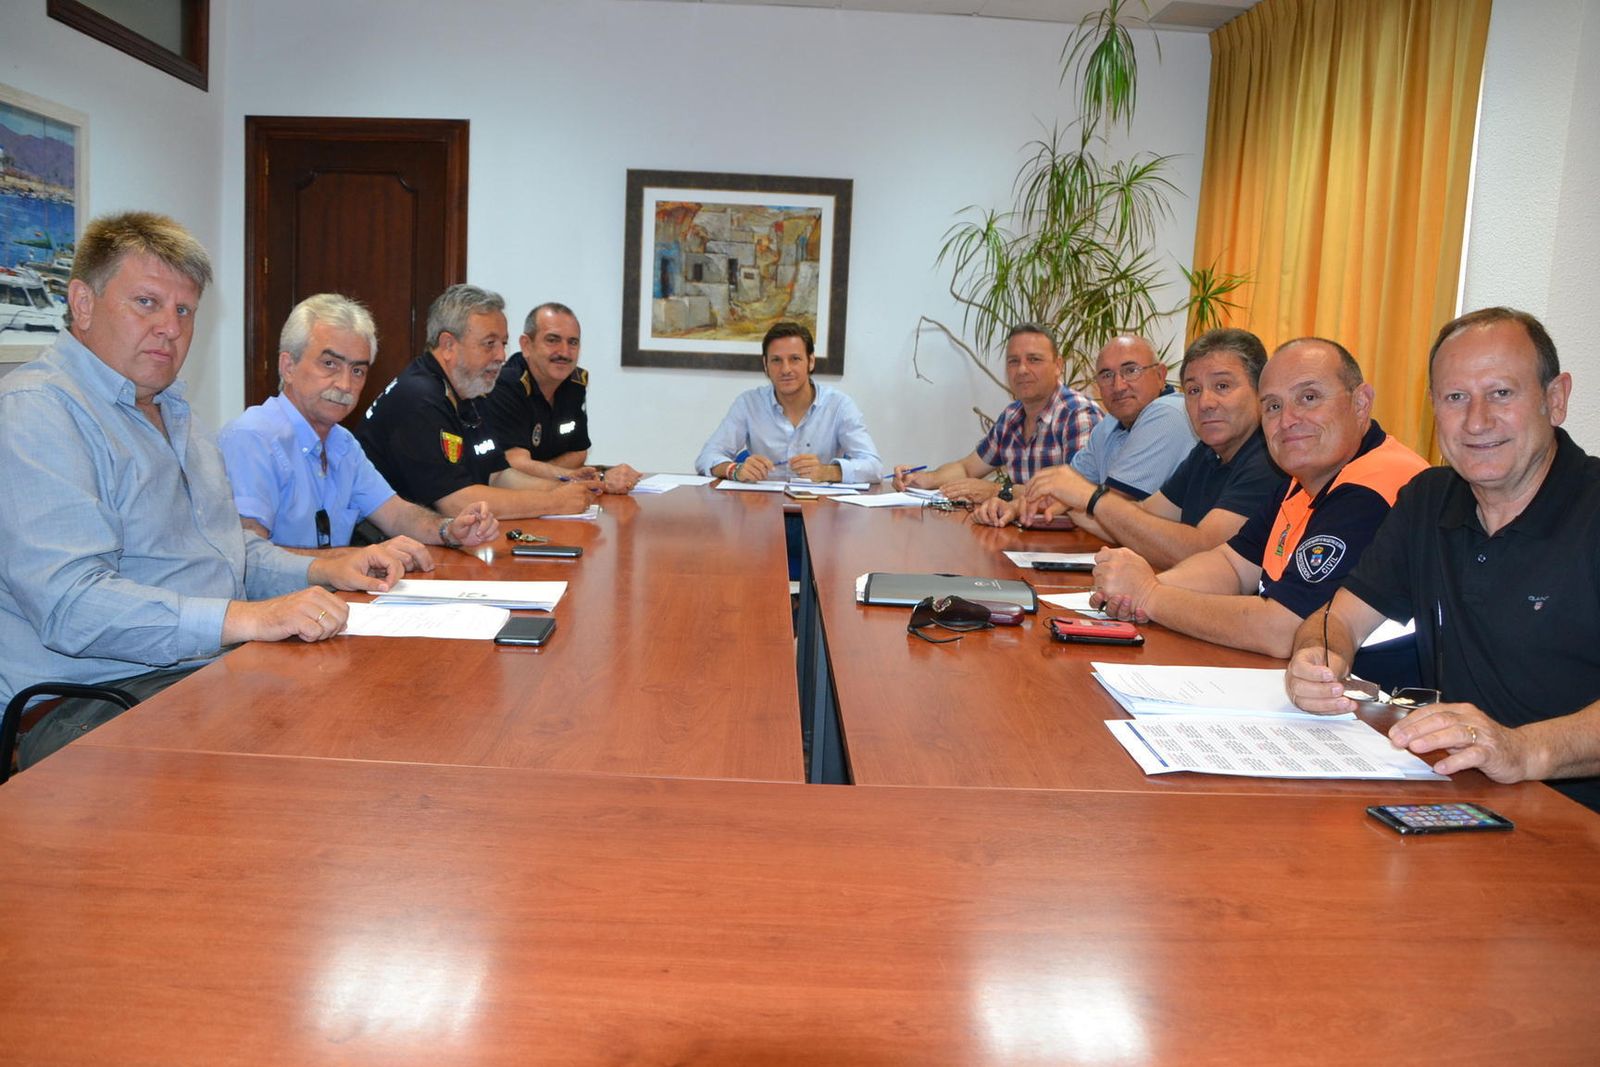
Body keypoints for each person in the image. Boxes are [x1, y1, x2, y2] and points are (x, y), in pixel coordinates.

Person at [0, 211, 404, 769]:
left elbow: (228, 550)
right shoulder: (37, 413)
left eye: (183, 310)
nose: (170, 326)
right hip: (89, 703)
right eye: (147, 302)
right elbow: (73, 604)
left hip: (200, 671)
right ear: (83, 302)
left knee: (371, 711)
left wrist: (325, 571)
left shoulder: (178, 417)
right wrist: (248, 618)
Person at [1286, 308, 1600, 811]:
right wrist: (1317, 658)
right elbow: (1337, 618)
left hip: (1575, 823)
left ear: (1555, 399)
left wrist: (1523, 749)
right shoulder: (1429, 499)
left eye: (1501, 393)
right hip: (1455, 797)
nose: (1477, 421)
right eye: (1456, 398)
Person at [1092, 337, 1428, 681]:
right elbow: (1231, 565)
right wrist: (1138, 590)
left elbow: (1281, 628)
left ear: (1361, 403)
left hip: (1381, 708)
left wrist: (1150, 595)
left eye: (1308, 398)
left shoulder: (1375, 487)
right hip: (1313, 692)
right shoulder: (1302, 478)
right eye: (1272, 407)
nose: (1288, 420)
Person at [219, 293, 499, 566]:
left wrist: (448, 530)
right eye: (329, 364)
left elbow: (397, 515)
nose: (345, 384)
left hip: (334, 602)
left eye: (357, 371)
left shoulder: (343, 443)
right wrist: (352, 557)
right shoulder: (252, 437)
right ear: (288, 366)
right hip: (274, 608)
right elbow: (249, 559)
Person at [978, 328, 1285, 569]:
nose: (1205, 403)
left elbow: (1204, 550)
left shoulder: (1268, 459)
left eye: (1222, 386)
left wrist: (1088, 497)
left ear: (1261, 389)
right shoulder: (1207, 454)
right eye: (1193, 390)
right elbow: (1139, 518)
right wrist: (1068, 502)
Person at [355, 284, 593, 519]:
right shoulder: (419, 397)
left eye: (503, 343)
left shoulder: (469, 390)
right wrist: (553, 502)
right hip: (378, 543)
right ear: (448, 345)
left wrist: (565, 489)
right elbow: (456, 502)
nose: (501, 356)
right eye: (490, 344)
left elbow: (498, 475)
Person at [974, 333, 1196, 526]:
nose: (1118, 385)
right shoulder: (1110, 424)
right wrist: (1014, 508)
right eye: (1107, 375)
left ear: (1160, 374)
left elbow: (1109, 503)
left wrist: (1007, 495)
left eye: (1131, 370)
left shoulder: (1168, 412)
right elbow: (1064, 489)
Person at [891, 323, 1101, 503]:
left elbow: (1079, 495)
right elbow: (967, 469)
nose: (1022, 370)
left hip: (1069, 546)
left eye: (1034, 359)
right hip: (1023, 538)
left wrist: (998, 491)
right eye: (1013, 361)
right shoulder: (1012, 417)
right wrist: (927, 479)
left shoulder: (1078, 415)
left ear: (1058, 365)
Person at [695, 321, 882, 484]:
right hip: (763, 511)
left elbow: (874, 467)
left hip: (820, 511)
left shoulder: (839, 406)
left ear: (810, 362)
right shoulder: (748, 403)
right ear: (765, 365)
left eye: (795, 359)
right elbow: (706, 458)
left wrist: (828, 471)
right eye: (776, 360)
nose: (785, 369)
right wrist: (734, 470)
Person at [489, 301, 641, 495]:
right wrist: (582, 478)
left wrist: (544, 472)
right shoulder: (505, 384)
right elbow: (514, 463)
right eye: (552, 340)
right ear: (526, 345)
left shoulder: (574, 384)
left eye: (573, 342)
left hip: (548, 495)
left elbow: (578, 452)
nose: (564, 352)